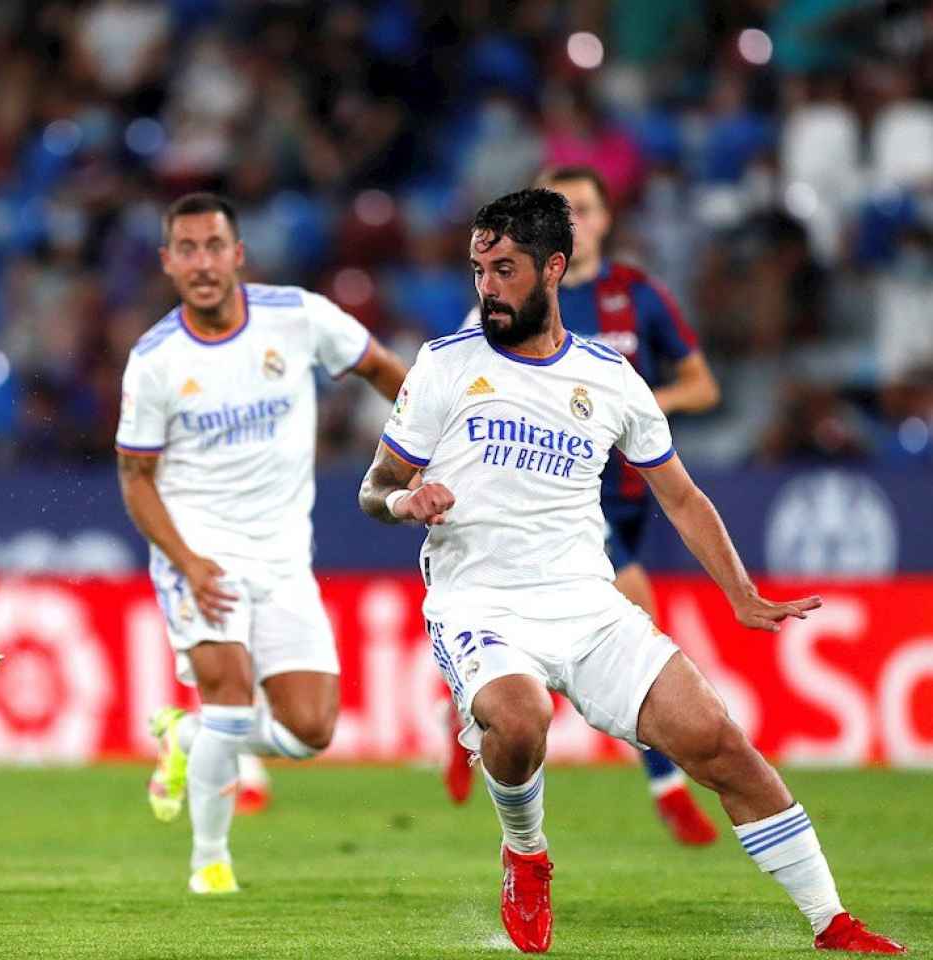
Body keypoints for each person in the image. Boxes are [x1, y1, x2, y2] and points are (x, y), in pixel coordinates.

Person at [356, 188, 904, 954]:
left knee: (721, 744)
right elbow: (373, 488)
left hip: (588, 602)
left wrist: (742, 594)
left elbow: (680, 495)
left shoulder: (609, 377)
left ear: (553, 268)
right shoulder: (445, 367)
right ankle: (527, 852)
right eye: (479, 269)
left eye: (504, 269)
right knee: (520, 720)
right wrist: (407, 499)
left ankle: (831, 921)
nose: (487, 287)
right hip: (479, 601)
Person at [115, 192, 408, 894]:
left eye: (214, 246)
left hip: (283, 558)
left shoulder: (297, 317)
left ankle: (183, 739)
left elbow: (381, 368)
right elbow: (135, 478)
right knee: (230, 703)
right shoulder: (154, 360)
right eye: (186, 249)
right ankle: (208, 863)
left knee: (312, 731)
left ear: (237, 254)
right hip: (201, 554)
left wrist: (436, 435)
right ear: (168, 263)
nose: (202, 262)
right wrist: (186, 562)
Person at [441, 165, 723, 846]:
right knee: (639, 608)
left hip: (630, 495)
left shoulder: (639, 297)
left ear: (601, 221)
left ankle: (474, 720)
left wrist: (644, 411)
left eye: (586, 207)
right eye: (561, 205)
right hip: (558, 505)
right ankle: (667, 788)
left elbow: (702, 384)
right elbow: (455, 386)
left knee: (590, 637)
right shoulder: (508, 299)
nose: (577, 216)